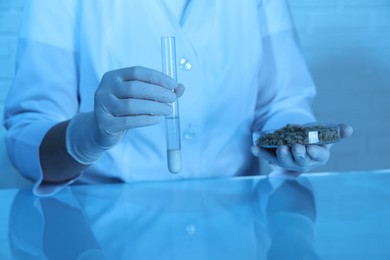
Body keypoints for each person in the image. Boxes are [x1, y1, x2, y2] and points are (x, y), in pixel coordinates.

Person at [3, 0, 352, 196]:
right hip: (106, 230)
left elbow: (282, 102)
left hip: (233, 226)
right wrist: (88, 136)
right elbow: (25, 139)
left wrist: (286, 139)